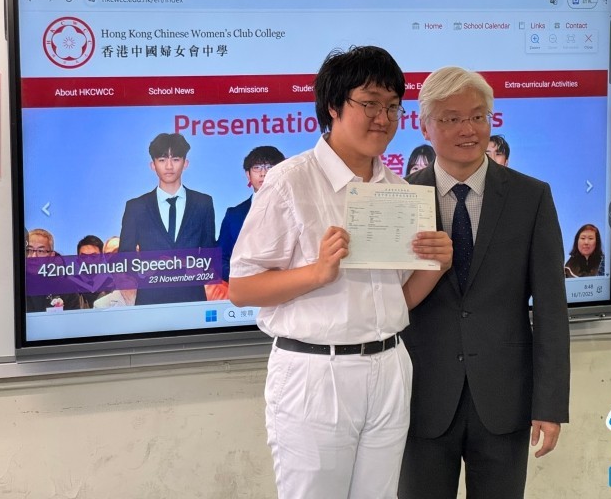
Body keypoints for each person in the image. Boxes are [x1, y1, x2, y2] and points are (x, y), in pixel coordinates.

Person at [228, 46, 452, 499]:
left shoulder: (398, 189)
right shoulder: (290, 181)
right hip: (315, 371)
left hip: (389, 365)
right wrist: (317, 272)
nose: (383, 118)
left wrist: (436, 266)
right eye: (369, 104)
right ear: (333, 105)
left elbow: (396, 300)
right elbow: (242, 288)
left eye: (392, 107)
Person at [399, 66, 570, 499]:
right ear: (424, 126)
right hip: (419, 398)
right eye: (451, 118)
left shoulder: (531, 197)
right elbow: (384, 304)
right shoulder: (400, 197)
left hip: (504, 399)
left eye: (478, 116)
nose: (468, 129)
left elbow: (551, 309)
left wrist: (549, 405)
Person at [118, 132, 216, 305]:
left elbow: (210, 253)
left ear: (185, 163)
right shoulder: (136, 207)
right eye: (162, 160)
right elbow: (125, 256)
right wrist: (145, 269)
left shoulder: (203, 203)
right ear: (153, 165)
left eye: (175, 159)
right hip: (150, 299)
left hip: (192, 298)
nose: (169, 166)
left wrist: (197, 267)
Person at [217, 145, 285, 282]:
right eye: (257, 168)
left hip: (286, 287)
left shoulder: (293, 209)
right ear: (248, 175)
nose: (263, 173)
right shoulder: (234, 215)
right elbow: (220, 259)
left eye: (269, 167)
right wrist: (243, 281)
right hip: (244, 289)